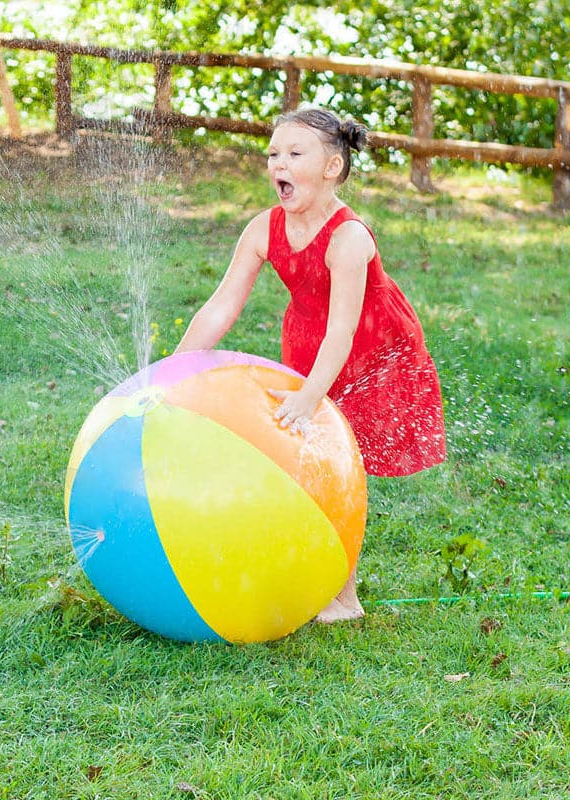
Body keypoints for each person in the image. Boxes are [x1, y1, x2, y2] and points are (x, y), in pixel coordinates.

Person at [174, 106, 446, 623]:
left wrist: (308, 397)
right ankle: (303, 566)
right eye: (273, 153)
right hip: (308, 341)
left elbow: (343, 331)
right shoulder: (263, 228)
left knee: (346, 462)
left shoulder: (349, 238)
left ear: (332, 168)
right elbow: (221, 306)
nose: (279, 163)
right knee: (305, 459)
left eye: (295, 153)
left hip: (374, 351)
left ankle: (345, 596)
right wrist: (175, 369)